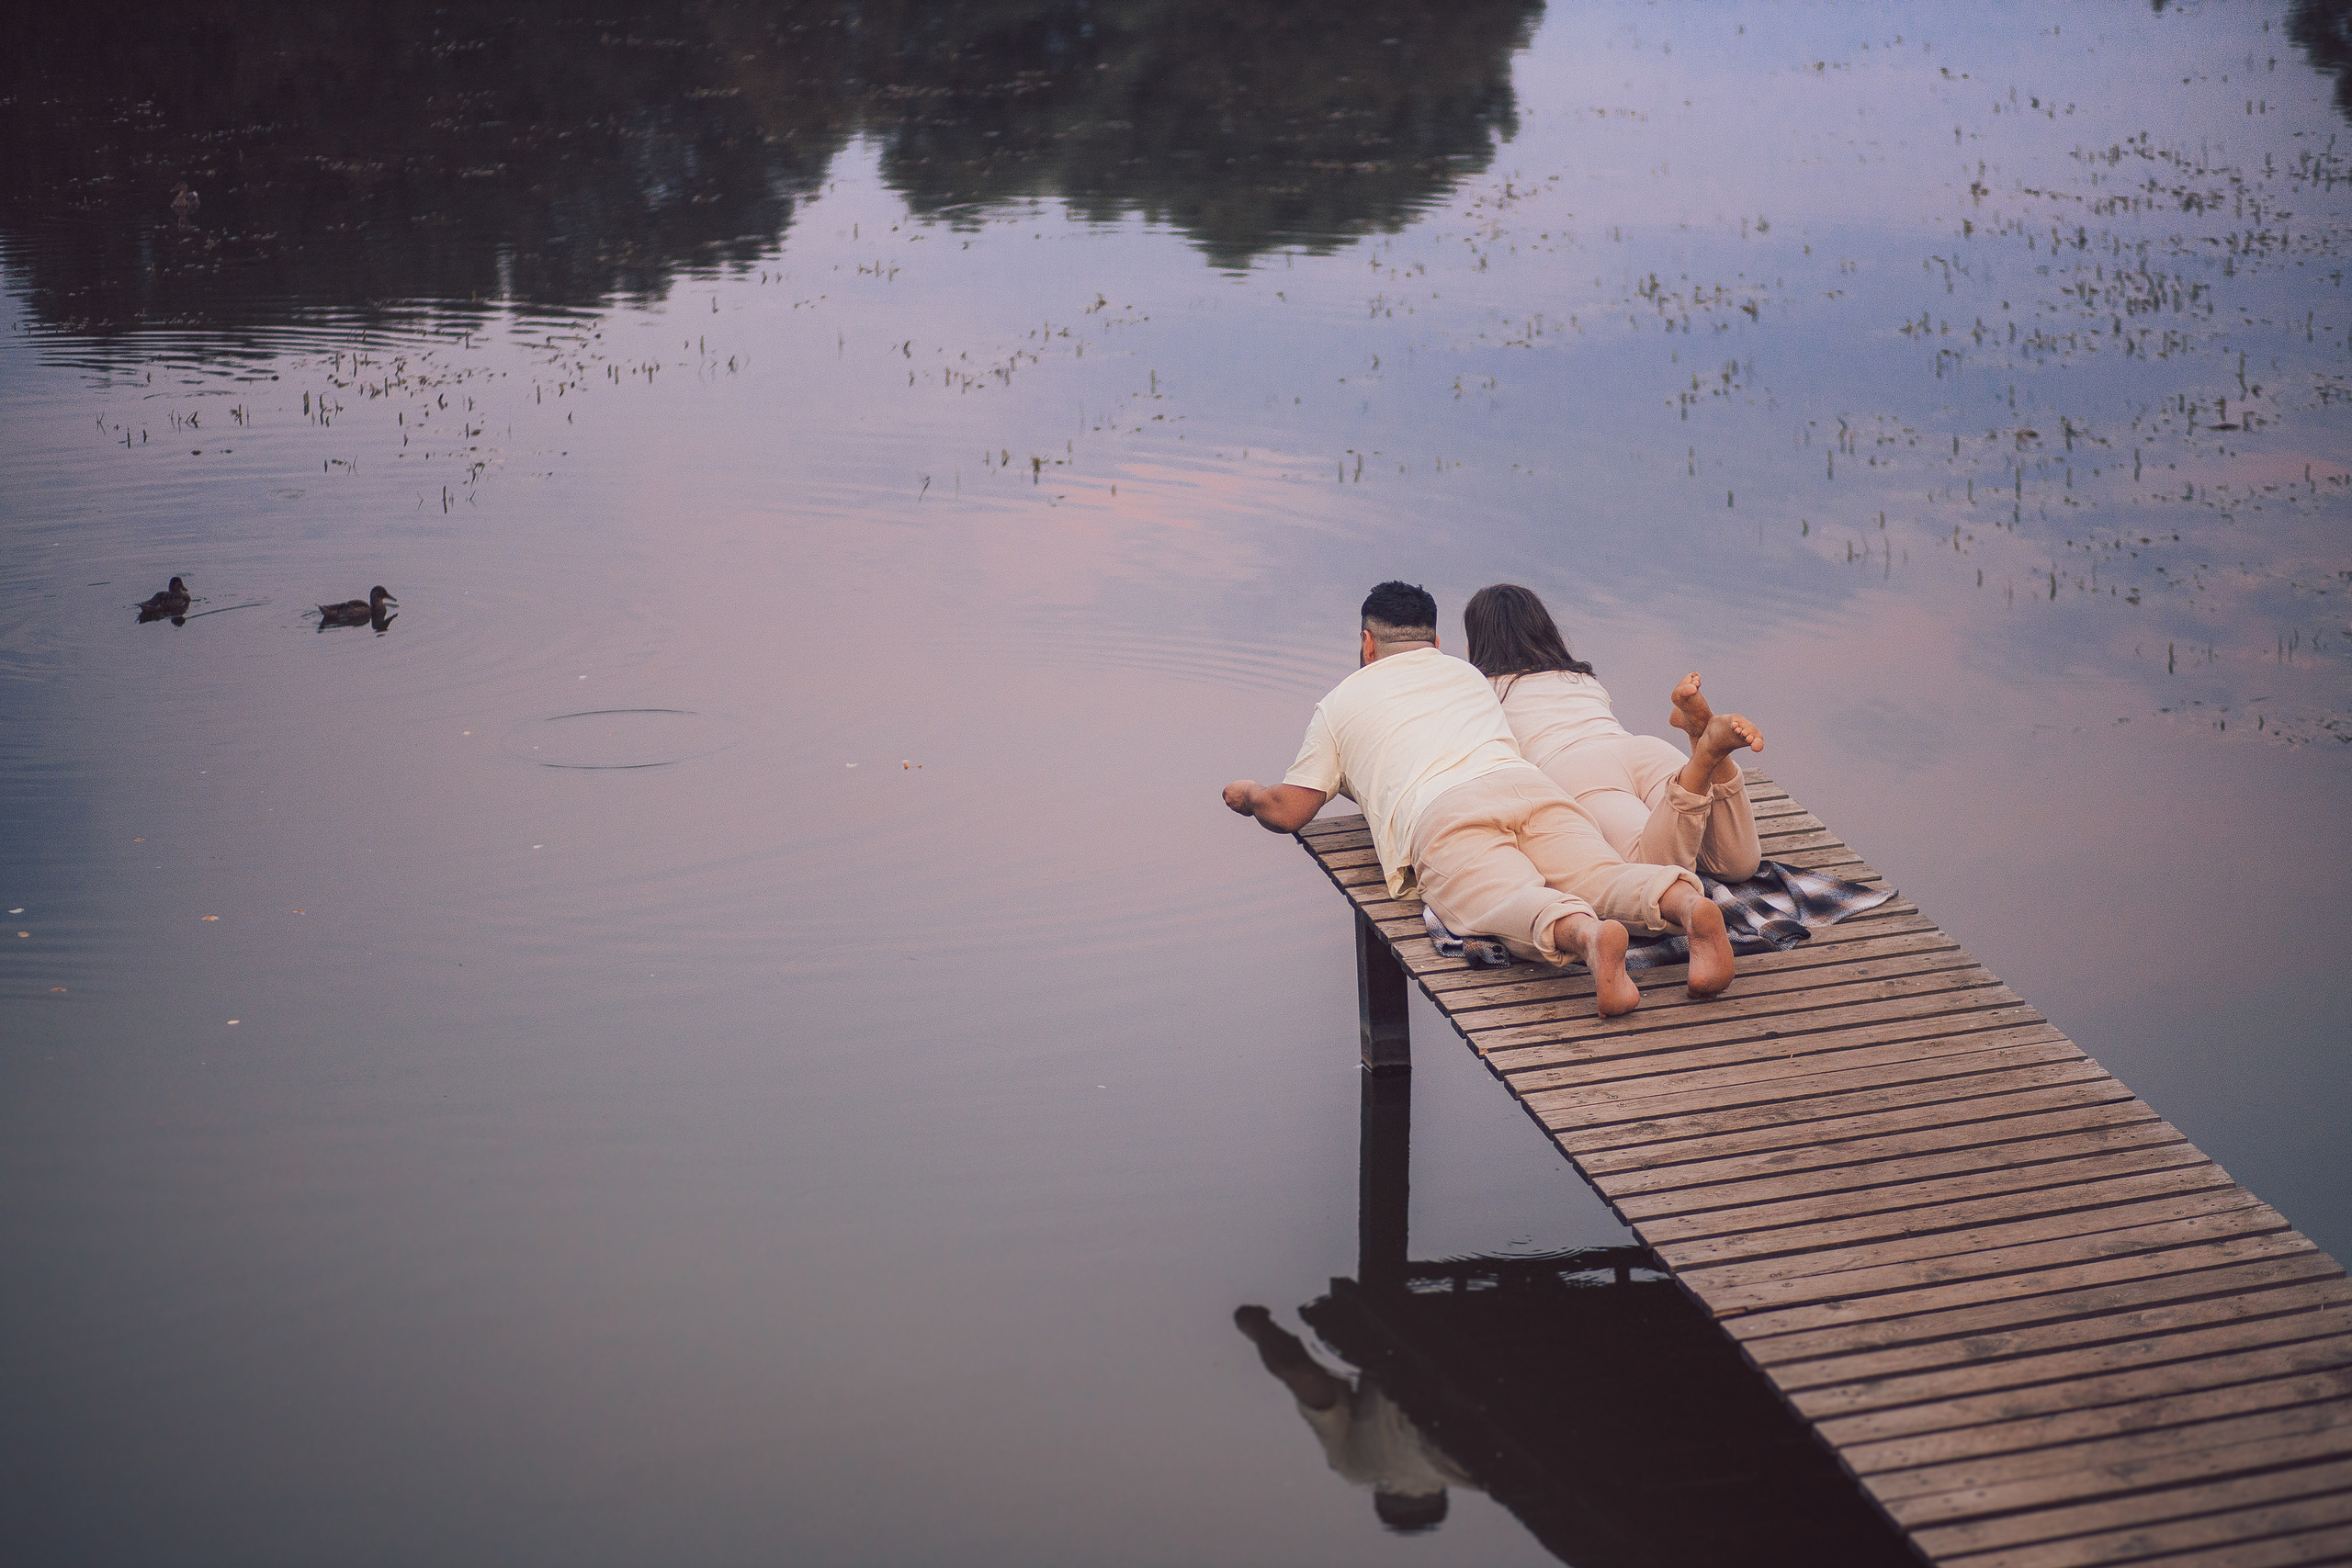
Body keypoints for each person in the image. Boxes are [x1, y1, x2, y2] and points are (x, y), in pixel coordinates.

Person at [1221, 581, 1733, 1015]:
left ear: (1367, 643)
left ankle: (1590, 938)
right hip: (1529, 787)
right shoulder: (1468, 677)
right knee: (1600, 873)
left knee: (1506, 898)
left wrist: (1249, 795)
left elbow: (1289, 810)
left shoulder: (1340, 704)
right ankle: (1688, 905)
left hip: (1445, 814)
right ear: (1437, 640)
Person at [1463, 583, 1763, 882]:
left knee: (1655, 874)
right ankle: (1705, 743)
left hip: (1576, 771)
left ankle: (1705, 753)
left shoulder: (1483, 692)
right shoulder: (1580, 678)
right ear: (1545, 630)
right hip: (1643, 750)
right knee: (1737, 863)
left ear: (1475, 642)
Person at [1233, 1305, 1468, 1533]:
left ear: (1441, 1496)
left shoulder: (1469, 1476)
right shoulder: (1356, 1470)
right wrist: (1261, 1331)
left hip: (1465, 1337)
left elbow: (1313, 1388)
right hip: (1396, 1323)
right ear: (1379, 1499)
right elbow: (1309, 1383)